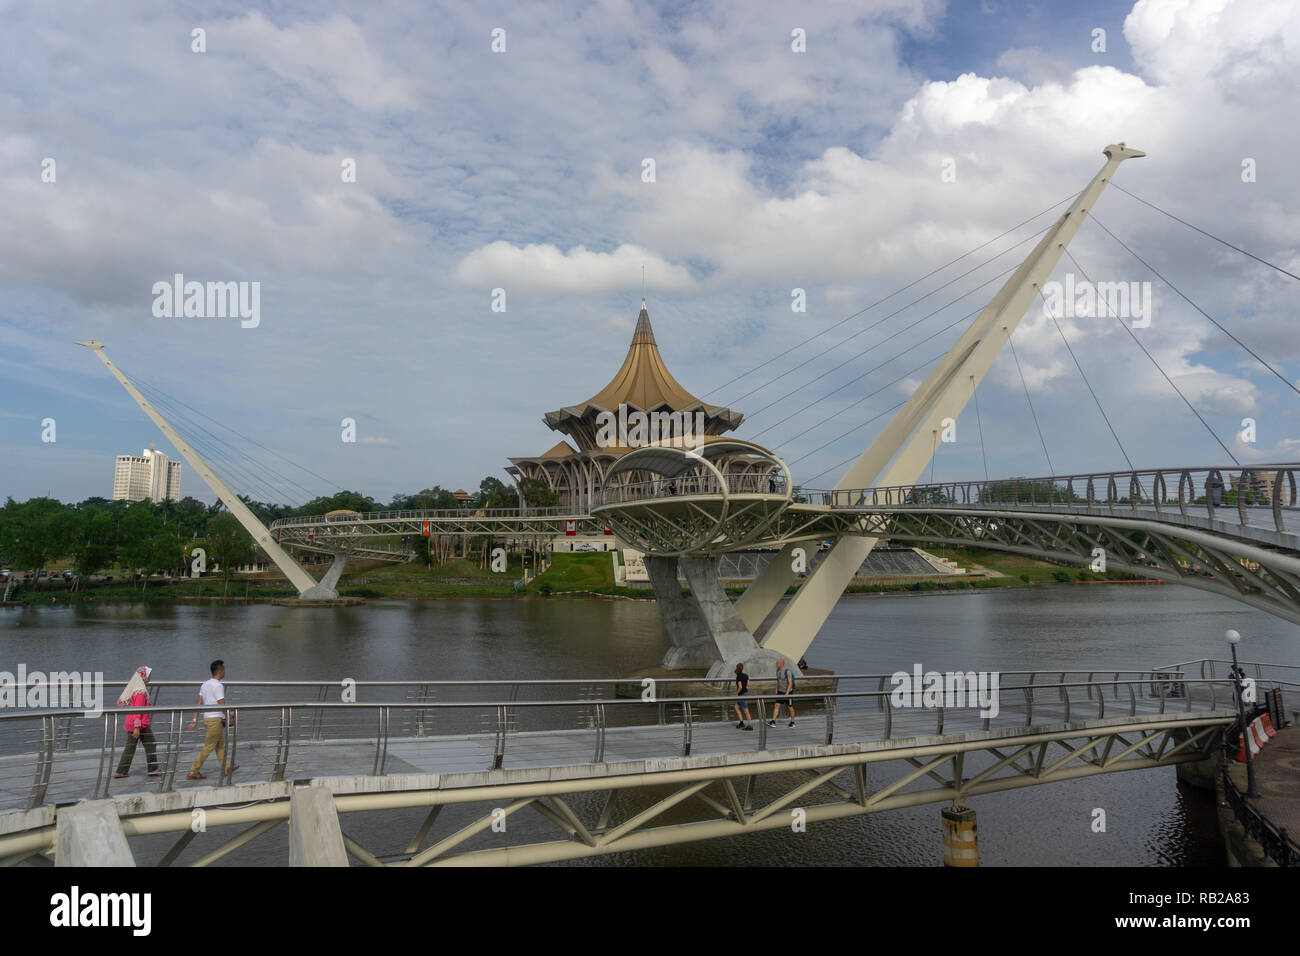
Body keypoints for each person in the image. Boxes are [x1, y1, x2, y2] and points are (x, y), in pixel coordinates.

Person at [187, 659, 237, 779]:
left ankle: (227, 767)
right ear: (220, 671)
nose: (225, 672)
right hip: (215, 720)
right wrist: (229, 717)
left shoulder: (205, 684)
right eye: (224, 669)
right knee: (209, 747)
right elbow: (221, 703)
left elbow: (198, 703)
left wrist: (194, 720)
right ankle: (193, 771)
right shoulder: (218, 686)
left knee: (220, 745)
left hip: (208, 719)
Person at [114, 666, 160, 778]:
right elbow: (138, 709)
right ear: (144, 676)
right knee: (149, 743)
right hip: (139, 724)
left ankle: (121, 771)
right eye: (149, 675)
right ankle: (152, 769)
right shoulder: (141, 691)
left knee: (131, 746)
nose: (150, 677)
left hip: (135, 722)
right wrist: (137, 727)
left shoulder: (137, 688)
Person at [768, 657, 796, 728]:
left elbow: (790, 684)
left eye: (777, 663)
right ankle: (773, 721)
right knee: (776, 705)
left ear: (781, 664)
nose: (776, 664)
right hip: (780, 691)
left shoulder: (787, 671)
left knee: (790, 707)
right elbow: (778, 681)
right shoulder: (777, 670)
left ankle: (792, 722)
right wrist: (776, 689)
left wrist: (787, 693)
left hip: (788, 692)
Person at [733, 662, 753, 730]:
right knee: (736, 707)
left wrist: (736, 693)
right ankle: (741, 722)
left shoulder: (738, 677)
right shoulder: (746, 675)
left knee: (746, 710)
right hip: (745, 693)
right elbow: (749, 684)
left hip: (741, 694)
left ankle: (750, 725)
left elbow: (740, 687)